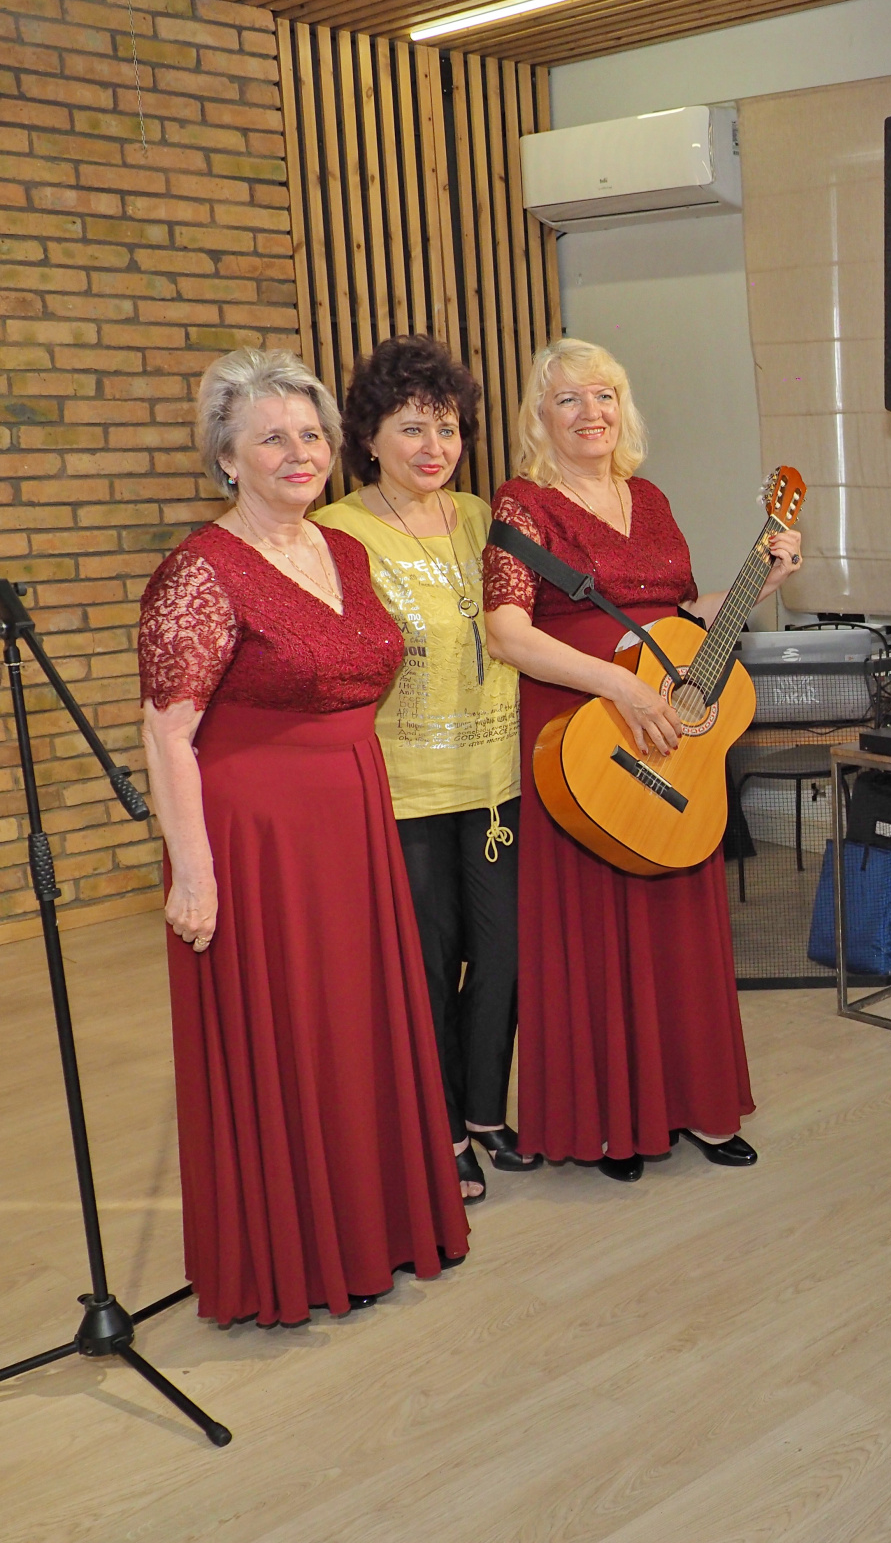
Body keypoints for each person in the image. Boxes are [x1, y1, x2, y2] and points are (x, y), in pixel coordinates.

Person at [138, 350, 469, 1326]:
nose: (299, 453)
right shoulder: (200, 570)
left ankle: (376, 1227)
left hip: (353, 814)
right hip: (258, 834)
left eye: (312, 435)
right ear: (227, 459)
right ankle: (298, 1253)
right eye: (272, 438)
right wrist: (193, 870)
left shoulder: (344, 550)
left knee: (356, 1027)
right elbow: (167, 731)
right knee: (289, 1036)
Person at [482, 339, 802, 1182]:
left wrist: (761, 584)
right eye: (568, 399)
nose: (590, 413)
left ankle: (696, 1106)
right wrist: (618, 690)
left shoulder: (650, 498)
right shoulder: (523, 503)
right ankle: (605, 1124)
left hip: (670, 729)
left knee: (679, 929)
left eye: (604, 395)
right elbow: (507, 633)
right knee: (591, 932)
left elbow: (676, 619)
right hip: (580, 736)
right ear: (539, 417)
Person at [317, 337, 529, 1206]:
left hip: (499, 781)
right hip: (404, 790)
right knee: (429, 968)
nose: (433, 446)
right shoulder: (338, 533)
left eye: (446, 427)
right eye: (411, 428)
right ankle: (441, 1132)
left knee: (504, 958)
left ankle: (484, 1111)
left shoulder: (481, 516)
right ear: (368, 438)